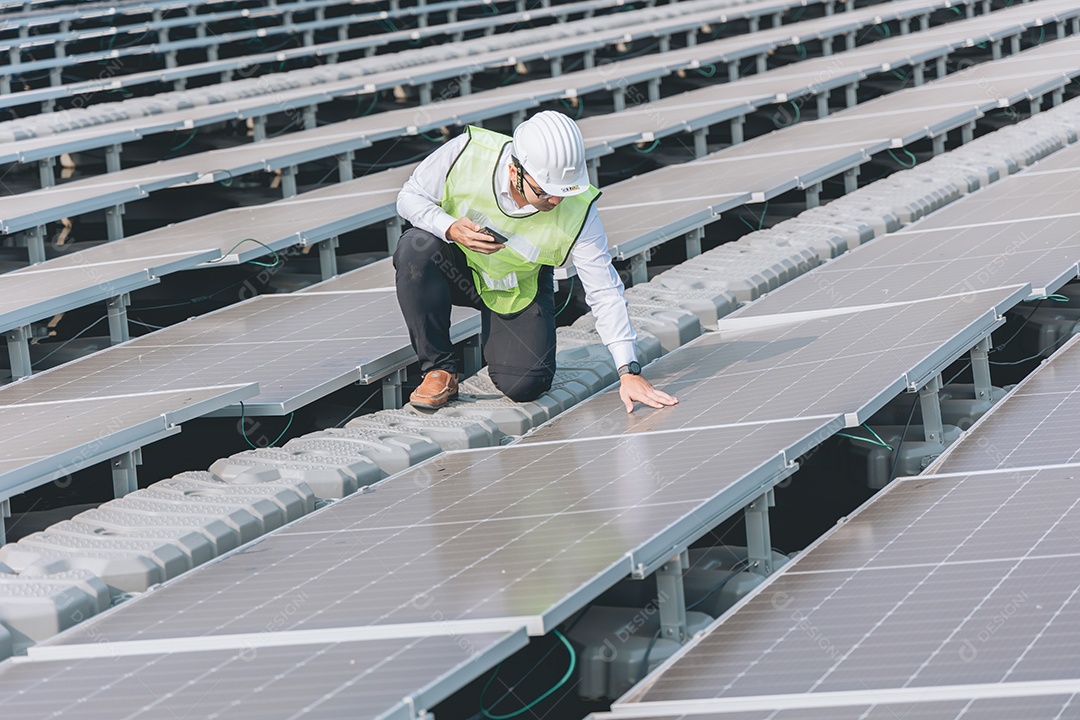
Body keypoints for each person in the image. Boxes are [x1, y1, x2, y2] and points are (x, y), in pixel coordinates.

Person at [394, 110, 678, 414]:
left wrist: (629, 371)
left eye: (563, 193)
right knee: (416, 247)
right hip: (456, 271)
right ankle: (439, 369)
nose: (555, 202)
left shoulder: (579, 211)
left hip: (517, 286)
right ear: (515, 169)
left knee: (525, 385)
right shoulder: (467, 151)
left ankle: (525, 328)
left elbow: (604, 290)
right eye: (546, 191)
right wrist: (448, 227)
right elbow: (409, 196)